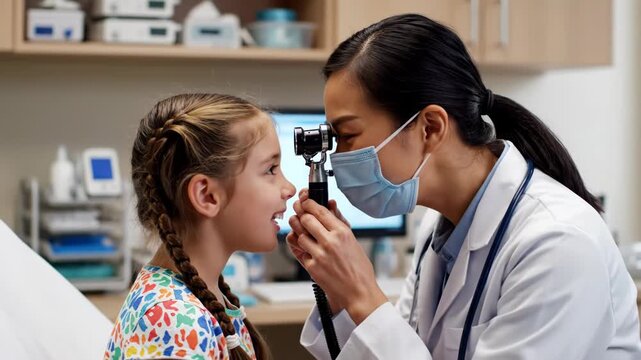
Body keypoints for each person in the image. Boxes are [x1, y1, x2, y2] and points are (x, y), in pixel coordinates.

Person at [286, 14, 641, 359]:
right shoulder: (439, 228)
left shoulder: (558, 243)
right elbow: (403, 348)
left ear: (430, 127)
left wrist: (363, 293)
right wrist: (339, 291)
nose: (339, 156)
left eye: (347, 136)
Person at [104, 93, 296, 360]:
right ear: (207, 196)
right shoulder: (176, 323)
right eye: (271, 169)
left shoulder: (200, 298)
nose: (290, 188)